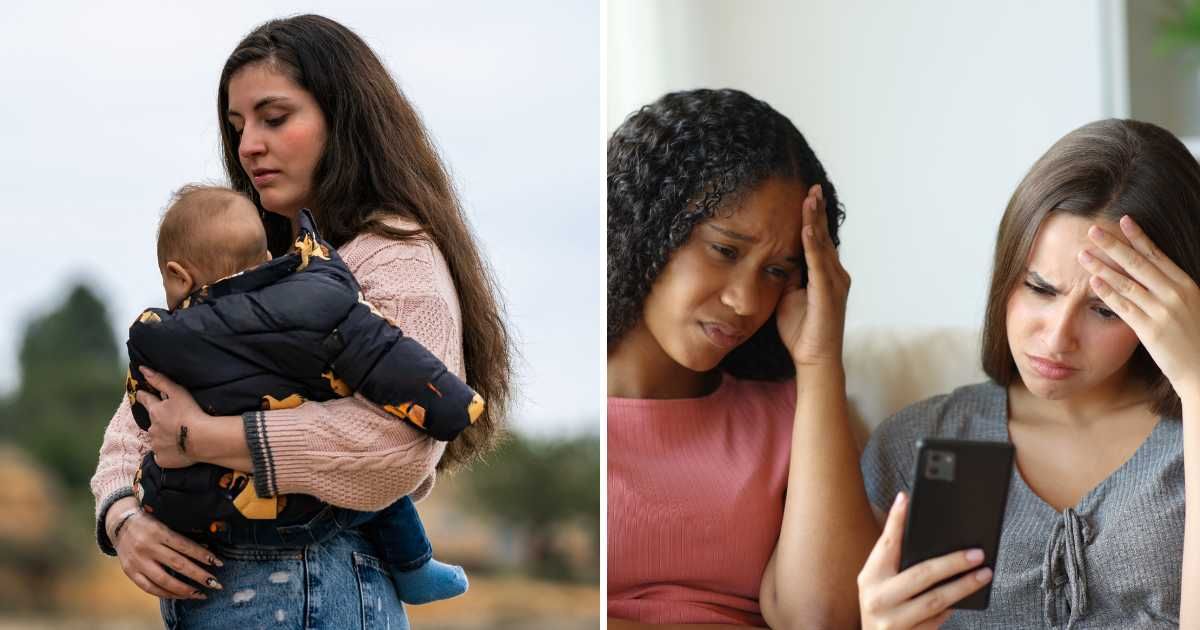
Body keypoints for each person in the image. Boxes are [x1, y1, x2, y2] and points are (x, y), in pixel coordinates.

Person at [90, 14, 510, 629]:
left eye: (274, 117)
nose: (248, 145)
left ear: (343, 119)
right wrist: (123, 518)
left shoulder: (390, 254)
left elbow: (399, 446)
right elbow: (141, 416)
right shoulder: (254, 278)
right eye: (237, 127)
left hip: (316, 585)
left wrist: (199, 439)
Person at [857, 118, 1200, 629]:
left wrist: (1196, 385)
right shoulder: (916, 443)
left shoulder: (1185, 441)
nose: (1057, 338)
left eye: (1106, 309)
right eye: (1039, 288)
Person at [126, 183, 480, 605]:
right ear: (268, 259)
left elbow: (143, 415)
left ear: (177, 276)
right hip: (306, 520)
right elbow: (386, 358)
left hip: (206, 530)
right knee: (385, 498)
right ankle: (414, 565)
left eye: (274, 117)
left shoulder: (161, 337)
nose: (251, 145)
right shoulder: (316, 299)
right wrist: (454, 406)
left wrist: (177, 454)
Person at [606, 88, 877, 629]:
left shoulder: (800, 417)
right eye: (725, 250)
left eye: (778, 270)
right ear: (649, 228)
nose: (745, 301)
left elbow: (824, 620)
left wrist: (821, 361)